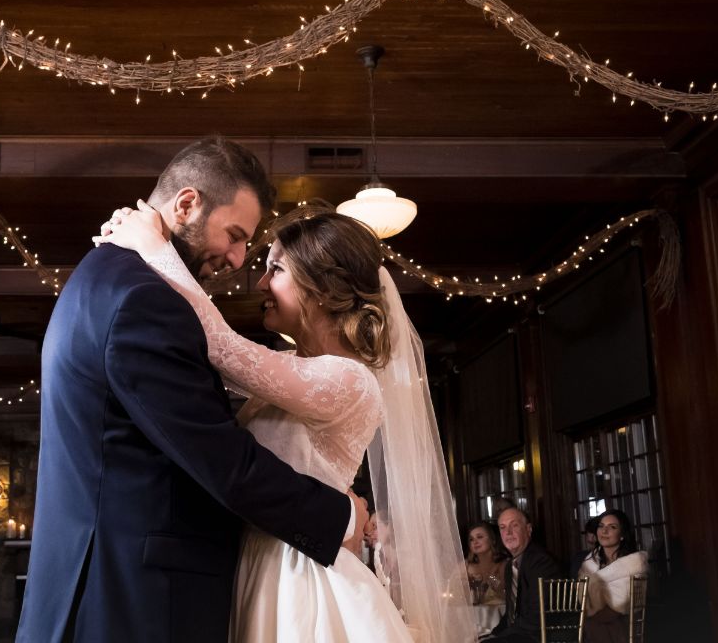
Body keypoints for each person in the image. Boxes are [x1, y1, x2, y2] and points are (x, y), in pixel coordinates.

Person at [16, 138, 360, 643]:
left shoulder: (106, 276)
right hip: (131, 602)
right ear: (186, 204)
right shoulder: (144, 301)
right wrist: (342, 516)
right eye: (235, 235)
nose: (240, 260)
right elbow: (220, 458)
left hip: (104, 587)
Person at [99, 201, 474, 642]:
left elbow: (219, 344)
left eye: (275, 269)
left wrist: (153, 246)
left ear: (319, 288)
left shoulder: (348, 380)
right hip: (255, 560)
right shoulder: (288, 367)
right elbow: (207, 361)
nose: (259, 281)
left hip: (303, 577)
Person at [490, 507, 560, 642]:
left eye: (514, 525)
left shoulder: (541, 562)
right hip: (520, 632)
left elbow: (538, 616)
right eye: (503, 527)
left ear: (529, 529)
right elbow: (512, 614)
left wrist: (501, 636)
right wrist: (493, 634)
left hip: (541, 635)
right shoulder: (511, 566)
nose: (508, 532)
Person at [578, 510, 647, 643]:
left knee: (600, 624)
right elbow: (582, 600)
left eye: (612, 527)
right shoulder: (589, 564)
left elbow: (623, 604)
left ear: (622, 535)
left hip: (624, 622)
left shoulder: (632, 565)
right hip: (595, 623)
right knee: (594, 624)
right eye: (601, 526)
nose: (604, 531)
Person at [466, 522, 507, 606]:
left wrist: (489, 577)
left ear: (493, 540)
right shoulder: (465, 565)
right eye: (471, 539)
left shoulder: (503, 564)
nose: (475, 542)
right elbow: (452, 593)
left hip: (497, 615)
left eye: (479, 537)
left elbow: (504, 591)